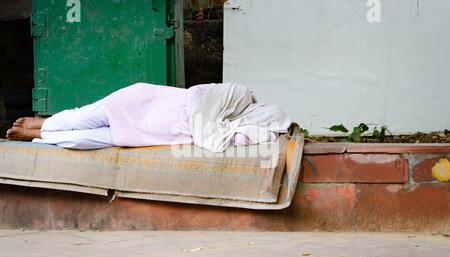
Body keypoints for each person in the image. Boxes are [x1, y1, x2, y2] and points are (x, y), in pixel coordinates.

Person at [6, 83, 291, 152]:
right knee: (83, 117)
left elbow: (220, 141)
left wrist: (214, 131)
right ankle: (44, 122)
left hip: (152, 133)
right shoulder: (237, 94)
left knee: (83, 141)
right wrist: (209, 131)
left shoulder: (235, 130)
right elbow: (200, 99)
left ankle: (40, 134)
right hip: (142, 102)